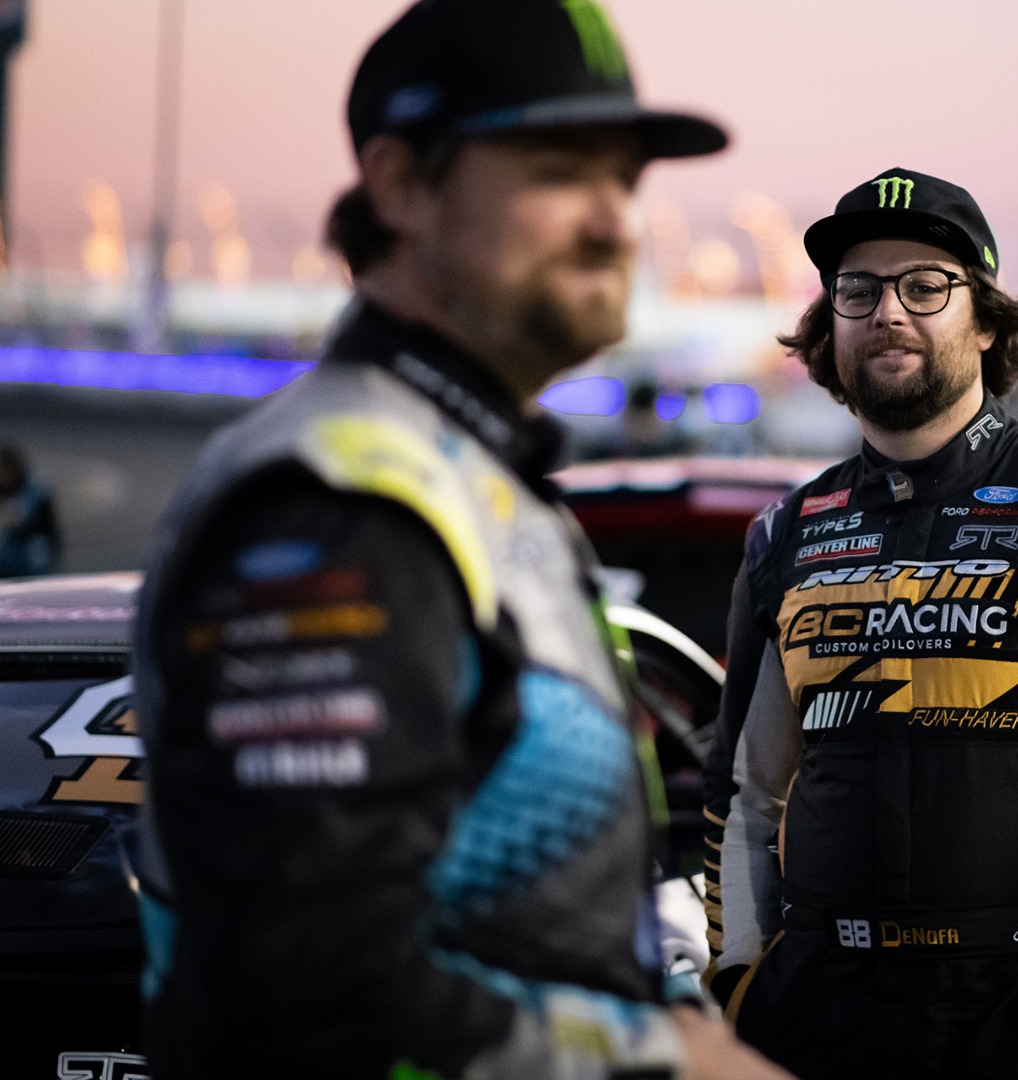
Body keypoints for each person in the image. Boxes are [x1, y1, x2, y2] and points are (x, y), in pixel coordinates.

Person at [132, 2, 791, 1077]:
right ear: (400, 186)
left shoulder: (474, 479)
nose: (616, 222)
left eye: (626, 179)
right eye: (558, 169)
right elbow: (305, 990)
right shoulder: (339, 498)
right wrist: (664, 1067)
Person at [701, 169, 1018, 1080]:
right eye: (857, 291)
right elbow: (742, 789)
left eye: (925, 286)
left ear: (985, 320)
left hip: (1007, 1012)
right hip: (806, 1012)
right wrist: (742, 978)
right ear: (831, 326)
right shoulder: (787, 533)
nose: (888, 312)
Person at [0, 443, 62, 577]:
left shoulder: (36, 489)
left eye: (5, 469)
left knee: (37, 550)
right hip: (9, 546)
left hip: (31, 546)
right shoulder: (4, 489)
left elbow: (45, 527)